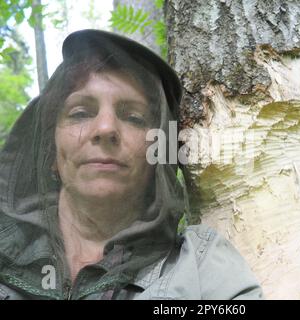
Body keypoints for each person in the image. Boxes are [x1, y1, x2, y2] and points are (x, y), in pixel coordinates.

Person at [0, 29, 264, 300]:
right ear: (50, 153)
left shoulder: (202, 266)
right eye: (80, 113)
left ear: (157, 156)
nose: (105, 128)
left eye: (134, 118)